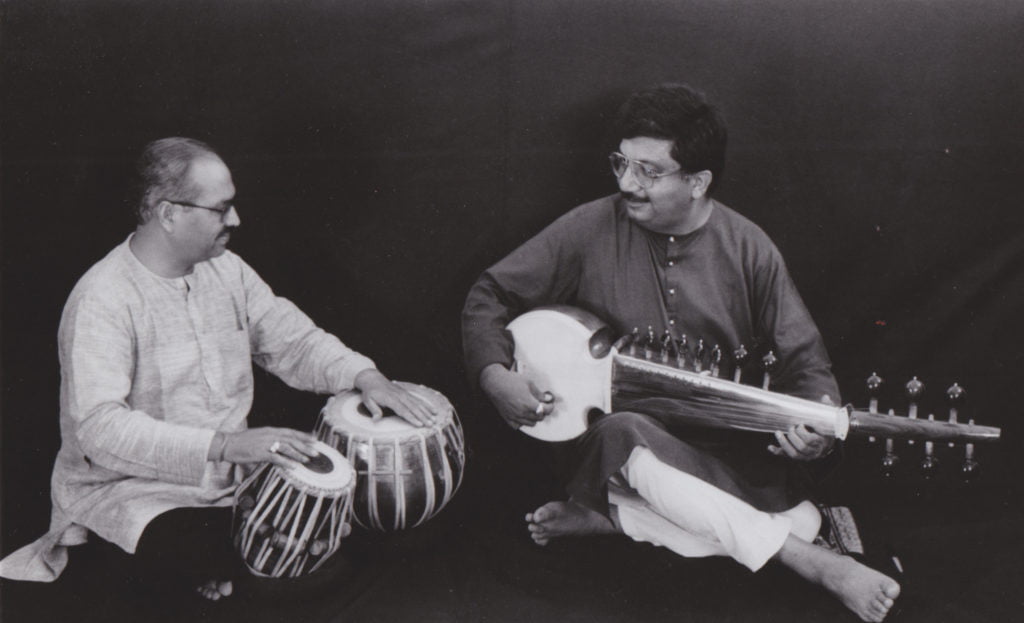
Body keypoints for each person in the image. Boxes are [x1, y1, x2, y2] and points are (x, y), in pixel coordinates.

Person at [461, 84, 900, 622]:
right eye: (622, 163)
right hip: (618, 442)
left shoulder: (748, 248)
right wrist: (493, 376)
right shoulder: (589, 227)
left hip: (727, 450)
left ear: (697, 182)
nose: (627, 182)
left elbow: (806, 362)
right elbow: (490, 295)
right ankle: (810, 560)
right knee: (629, 438)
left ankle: (622, 521)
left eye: (649, 171)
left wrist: (811, 434)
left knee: (711, 500)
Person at [0, 137, 440, 600]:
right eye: (221, 208)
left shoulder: (227, 270)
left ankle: (234, 567)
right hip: (130, 490)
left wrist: (364, 376)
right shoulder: (103, 298)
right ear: (168, 213)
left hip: (235, 477)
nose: (236, 220)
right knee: (294, 563)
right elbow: (100, 429)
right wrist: (227, 445)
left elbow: (294, 341)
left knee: (358, 529)